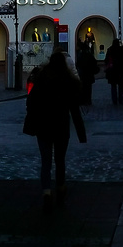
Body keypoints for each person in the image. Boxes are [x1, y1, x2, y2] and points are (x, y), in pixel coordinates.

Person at [23, 49, 87, 210]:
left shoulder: (41, 78)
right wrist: (81, 132)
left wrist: (32, 119)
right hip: (61, 125)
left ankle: (46, 192)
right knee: (60, 160)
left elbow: (31, 101)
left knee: (45, 161)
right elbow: (75, 107)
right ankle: (60, 187)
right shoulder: (68, 81)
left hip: (43, 125)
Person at [77, 40, 99, 105]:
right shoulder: (89, 55)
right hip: (89, 74)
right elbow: (94, 63)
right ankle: (88, 100)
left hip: (83, 74)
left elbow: (78, 64)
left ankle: (83, 100)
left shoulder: (80, 55)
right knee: (88, 88)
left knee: (83, 87)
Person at [104, 38, 123, 105]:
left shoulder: (110, 50)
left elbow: (106, 60)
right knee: (120, 86)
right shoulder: (121, 49)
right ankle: (120, 99)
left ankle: (114, 100)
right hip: (120, 70)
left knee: (113, 86)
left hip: (112, 71)